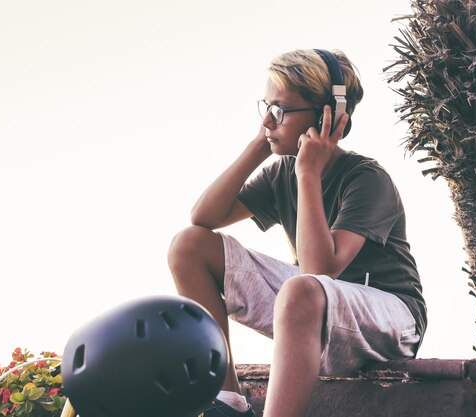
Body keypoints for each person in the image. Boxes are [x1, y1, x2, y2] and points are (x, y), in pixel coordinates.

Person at [168, 48, 426, 417]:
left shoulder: (367, 179)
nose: (270, 121)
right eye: (267, 108)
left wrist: (308, 173)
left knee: (303, 287)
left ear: (328, 117)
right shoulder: (280, 172)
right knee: (188, 245)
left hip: (390, 318)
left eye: (282, 111)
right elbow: (204, 217)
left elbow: (321, 268)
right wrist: (260, 146)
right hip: (311, 306)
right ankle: (229, 402)